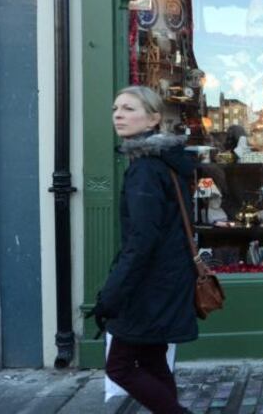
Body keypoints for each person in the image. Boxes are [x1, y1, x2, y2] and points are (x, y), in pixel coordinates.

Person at [89, 85, 198, 414]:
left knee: (119, 366)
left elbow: (141, 241)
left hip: (149, 287)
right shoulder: (164, 163)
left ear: (153, 119)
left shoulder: (146, 170)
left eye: (128, 109)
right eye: (115, 109)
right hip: (166, 280)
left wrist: (112, 295)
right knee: (152, 361)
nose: (118, 115)